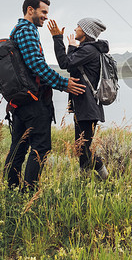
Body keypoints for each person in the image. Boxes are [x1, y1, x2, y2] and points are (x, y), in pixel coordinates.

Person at [4, 0, 86, 191]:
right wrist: (63, 83)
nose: (46, 17)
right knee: (40, 147)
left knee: (19, 146)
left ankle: (12, 189)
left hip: (22, 100)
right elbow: (37, 66)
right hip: (33, 101)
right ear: (30, 10)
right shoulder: (27, 31)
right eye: (43, 12)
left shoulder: (17, 30)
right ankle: (28, 192)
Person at [48, 17, 109, 180]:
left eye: (78, 26)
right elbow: (74, 71)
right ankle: (85, 181)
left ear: (86, 31)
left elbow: (64, 64)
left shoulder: (89, 50)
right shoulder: (87, 50)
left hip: (88, 108)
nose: (75, 29)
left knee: (84, 149)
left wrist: (57, 39)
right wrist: (71, 48)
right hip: (85, 106)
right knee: (81, 148)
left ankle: (104, 176)